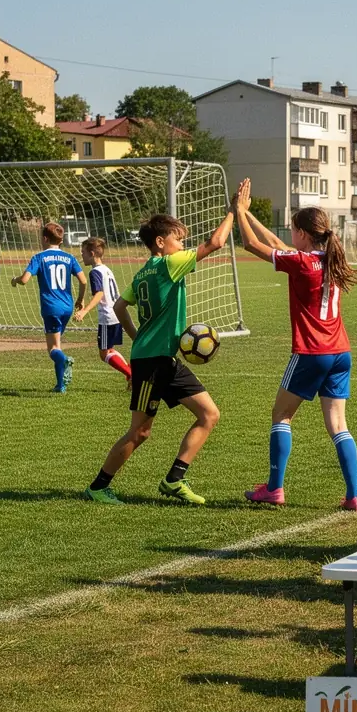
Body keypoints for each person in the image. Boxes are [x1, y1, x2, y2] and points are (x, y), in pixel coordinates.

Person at [82, 197, 238, 507]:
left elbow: (119, 307)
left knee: (209, 414)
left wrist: (138, 338)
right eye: (178, 239)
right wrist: (235, 210)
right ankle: (98, 487)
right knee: (140, 432)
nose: (182, 245)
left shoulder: (142, 274)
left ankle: (174, 480)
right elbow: (217, 242)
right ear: (160, 242)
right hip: (152, 363)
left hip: (162, 359)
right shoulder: (169, 264)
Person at [234, 179, 357, 511]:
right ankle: (353, 496)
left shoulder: (303, 264)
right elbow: (279, 243)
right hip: (340, 353)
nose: (290, 236)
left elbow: (251, 245)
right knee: (338, 426)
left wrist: (238, 212)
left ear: (304, 233)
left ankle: (274, 488)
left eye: (294, 230)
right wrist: (250, 215)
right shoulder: (332, 259)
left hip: (312, 352)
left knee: (281, 415)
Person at [11, 223, 86, 394]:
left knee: (53, 349)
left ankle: (66, 360)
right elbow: (83, 280)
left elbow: (24, 280)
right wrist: (80, 300)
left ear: (45, 238)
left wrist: (15, 279)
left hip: (51, 307)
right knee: (57, 345)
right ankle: (61, 386)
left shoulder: (39, 257)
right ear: (60, 240)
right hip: (67, 306)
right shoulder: (70, 258)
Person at [74, 237, 131, 382]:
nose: (82, 256)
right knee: (110, 350)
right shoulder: (107, 270)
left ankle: (131, 374)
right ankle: (130, 374)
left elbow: (99, 294)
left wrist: (84, 311)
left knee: (104, 353)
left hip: (107, 316)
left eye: (83, 253)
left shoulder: (95, 272)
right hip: (117, 314)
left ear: (92, 253)